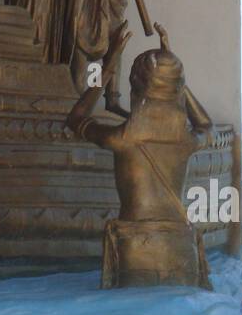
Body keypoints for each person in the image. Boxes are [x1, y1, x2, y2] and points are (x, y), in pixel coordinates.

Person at [66, 26, 213, 289]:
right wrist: (175, 76)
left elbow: (76, 118)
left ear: (135, 86)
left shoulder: (122, 139)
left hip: (135, 246)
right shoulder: (186, 141)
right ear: (177, 91)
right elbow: (206, 126)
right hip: (180, 247)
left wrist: (108, 66)